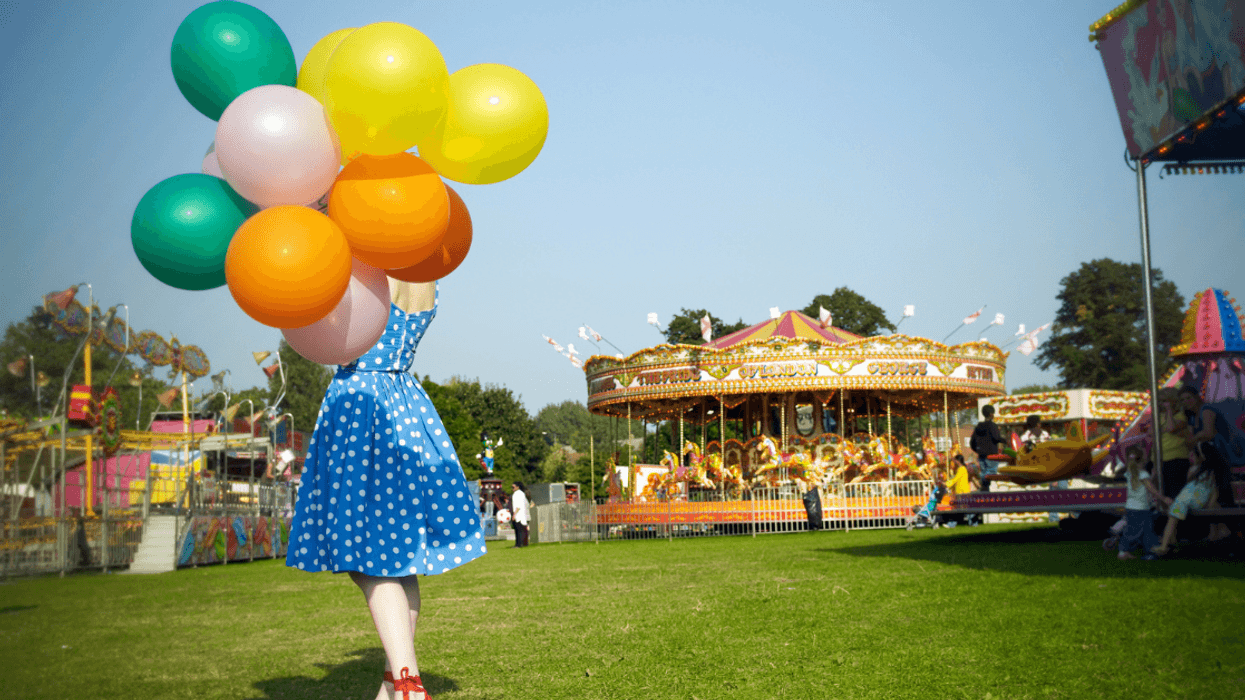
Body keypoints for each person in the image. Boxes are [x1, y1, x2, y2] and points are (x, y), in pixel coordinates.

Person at [286, 279, 486, 700]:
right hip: (406, 404)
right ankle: (392, 685)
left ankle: (409, 685)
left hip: (361, 404)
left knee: (368, 563)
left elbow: (336, 343)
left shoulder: (365, 274)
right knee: (399, 561)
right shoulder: (425, 277)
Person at [1179, 384, 1235, 540]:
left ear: (1196, 397)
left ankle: (1224, 528)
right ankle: (1215, 529)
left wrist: (1194, 439)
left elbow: (1209, 433)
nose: (1186, 402)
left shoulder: (1207, 410)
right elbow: (1191, 439)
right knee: (1208, 494)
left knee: (1216, 492)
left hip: (1218, 455)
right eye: (1183, 400)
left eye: (1188, 398)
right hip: (1205, 456)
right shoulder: (1192, 417)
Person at [1152, 451, 1219, 555]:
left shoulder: (1201, 471)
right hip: (1192, 500)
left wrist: (1210, 506)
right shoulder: (1208, 473)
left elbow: (1190, 484)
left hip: (1188, 500)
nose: (1191, 457)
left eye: (1193, 455)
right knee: (1173, 513)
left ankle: (1164, 546)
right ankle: (1170, 542)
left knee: (1172, 515)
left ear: (1200, 457)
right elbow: (1213, 491)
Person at [1117, 445, 1164, 560]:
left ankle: (1126, 551)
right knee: (1145, 531)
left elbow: (1141, 484)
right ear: (1142, 460)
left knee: (1134, 530)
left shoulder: (1129, 473)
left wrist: (1152, 476)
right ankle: (1148, 551)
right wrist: (1163, 498)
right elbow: (1151, 488)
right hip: (1141, 508)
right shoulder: (1143, 474)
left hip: (1130, 507)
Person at [970, 405, 1005, 491]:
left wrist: (978, 450)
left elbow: (972, 442)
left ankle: (984, 487)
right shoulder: (993, 426)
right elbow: (996, 438)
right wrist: (1004, 440)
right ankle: (984, 486)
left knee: (984, 471)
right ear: (991, 414)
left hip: (982, 455)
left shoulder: (979, 426)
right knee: (991, 472)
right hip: (991, 454)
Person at [511, 481, 530, 548]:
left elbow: (518, 506)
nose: (512, 488)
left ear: (517, 487)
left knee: (518, 531)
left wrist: (514, 514)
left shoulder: (517, 494)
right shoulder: (521, 493)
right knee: (522, 530)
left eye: (513, 487)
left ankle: (518, 544)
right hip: (521, 514)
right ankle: (523, 543)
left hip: (518, 514)